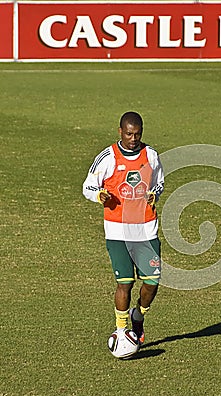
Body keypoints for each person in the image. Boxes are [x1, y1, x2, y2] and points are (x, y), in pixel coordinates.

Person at [83, 111, 164, 352]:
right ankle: (121, 330)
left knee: (152, 282)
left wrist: (154, 193)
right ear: (120, 131)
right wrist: (99, 195)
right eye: (129, 134)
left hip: (146, 229)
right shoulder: (108, 157)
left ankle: (138, 316)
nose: (133, 138)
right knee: (125, 283)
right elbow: (88, 186)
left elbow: (159, 181)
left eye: (137, 134)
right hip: (118, 231)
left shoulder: (151, 155)